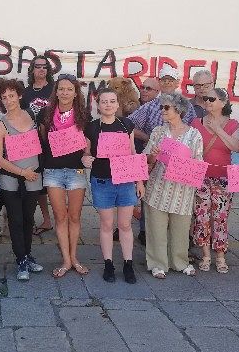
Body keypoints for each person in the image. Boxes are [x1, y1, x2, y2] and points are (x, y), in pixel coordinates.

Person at [83, 88, 142, 284]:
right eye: (104, 101)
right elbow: (86, 152)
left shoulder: (126, 125)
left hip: (125, 180)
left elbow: (133, 152)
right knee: (107, 224)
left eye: (112, 101)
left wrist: (139, 181)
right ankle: (108, 263)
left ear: (118, 104)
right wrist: (86, 159)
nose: (108, 104)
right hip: (102, 180)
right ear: (98, 105)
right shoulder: (91, 127)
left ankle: (128, 263)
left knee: (125, 225)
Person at [143, 92, 202, 279]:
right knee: (156, 228)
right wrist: (153, 154)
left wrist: (181, 164)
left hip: (182, 189)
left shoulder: (194, 135)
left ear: (179, 110)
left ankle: (180, 262)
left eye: (166, 107)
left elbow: (199, 163)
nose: (162, 111)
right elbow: (147, 161)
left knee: (181, 229)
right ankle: (157, 263)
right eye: (161, 107)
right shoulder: (158, 132)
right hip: (158, 186)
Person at [38, 74, 90, 278]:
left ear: (76, 92)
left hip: (76, 170)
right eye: (61, 89)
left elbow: (88, 141)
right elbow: (43, 139)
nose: (65, 92)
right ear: (56, 91)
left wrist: (86, 154)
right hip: (53, 171)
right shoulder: (45, 113)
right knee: (60, 217)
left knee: (75, 216)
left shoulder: (84, 115)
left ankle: (74, 256)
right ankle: (66, 260)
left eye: (69, 89)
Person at [0, 80, 45, 281]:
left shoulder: (32, 117)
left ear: (20, 96)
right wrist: (22, 172)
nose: (8, 100)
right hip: (12, 179)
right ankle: (20, 259)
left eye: (11, 95)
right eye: (4, 97)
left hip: (33, 177)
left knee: (28, 218)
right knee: (15, 219)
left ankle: (28, 255)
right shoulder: (0, 125)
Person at [191, 88, 239, 273]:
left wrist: (218, 129)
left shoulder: (232, 123)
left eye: (212, 99)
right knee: (202, 215)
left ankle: (220, 255)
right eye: (205, 99)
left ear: (223, 102)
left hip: (223, 177)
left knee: (220, 216)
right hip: (201, 176)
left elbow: (236, 147)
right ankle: (205, 255)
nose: (208, 102)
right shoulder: (196, 123)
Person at [21, 55, 54, 235]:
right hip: (32, 143)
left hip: (54, 142)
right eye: (37, 66)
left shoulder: (54, 90)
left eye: (44, 67)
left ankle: (58, 218)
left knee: (53, 181)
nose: (41, 69)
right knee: (37, 182)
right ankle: (45, 219)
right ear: (32, 70)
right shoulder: (25, 93)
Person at [129, 64, 196, 147]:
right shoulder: (150, 106)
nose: (167, 83)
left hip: (179, 153)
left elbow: (195, 131)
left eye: (170, 80)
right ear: (159, 82)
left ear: (177, 83)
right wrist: (149, 139)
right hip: (154, 154)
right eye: (164, 80)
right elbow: (128, 125)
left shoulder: (187, 106)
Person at [133, 76, 161, 245]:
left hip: (159, 157)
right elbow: (128, 125)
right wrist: (149, 137)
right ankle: (144, 230)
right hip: (142, 155)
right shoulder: (137, 106)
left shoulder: (157, 106)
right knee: (142, 192)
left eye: (148, 88)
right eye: (142, 87)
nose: (143, 90)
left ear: (158, 92)